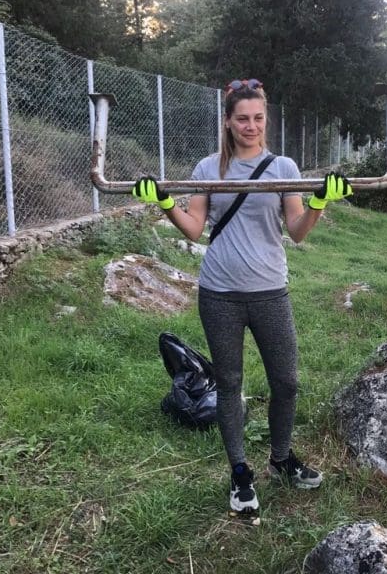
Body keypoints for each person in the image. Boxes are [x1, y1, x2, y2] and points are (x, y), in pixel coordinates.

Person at [132, 78, 352, 517]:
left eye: (258, 118)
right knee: (230, 384)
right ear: (228, 122)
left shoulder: (283, 168)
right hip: (220, 293)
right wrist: (164, 203)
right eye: (242, 119)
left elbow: (297, 231)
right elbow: (194, 228)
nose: (251, 126)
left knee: (286, 382)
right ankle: (239, 472)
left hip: (270, 291)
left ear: (265, 119)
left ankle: (281, 459)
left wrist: (320, 202)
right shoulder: (207, 168)